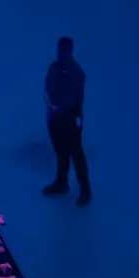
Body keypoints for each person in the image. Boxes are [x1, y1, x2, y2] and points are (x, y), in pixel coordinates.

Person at [44, 33, 92, 203]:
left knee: (76, 152)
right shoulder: (54, 68)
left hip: (71, 118)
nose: (62, 54)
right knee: (61, 151)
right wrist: (52, 113)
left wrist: (64, 110)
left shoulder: (76, 72)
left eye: (65, 51)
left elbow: (74, 97)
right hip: (56, 118)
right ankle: (61, 182)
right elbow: (48, 90)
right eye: (60, 50)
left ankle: (85, 189)